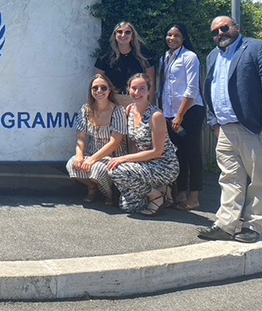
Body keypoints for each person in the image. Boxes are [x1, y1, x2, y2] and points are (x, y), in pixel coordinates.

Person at [198, 16, 262, 243]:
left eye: (224, 28)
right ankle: (225, 225)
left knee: (260, 178)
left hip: (254, 127)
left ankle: (253, 225)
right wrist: (213, 121)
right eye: (215, 31)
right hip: (225, 128)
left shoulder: (258, 48)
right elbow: (209, 90)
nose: (220, 34)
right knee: (229, 178)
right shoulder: (213, 56)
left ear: (237, 28)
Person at [107, 73, 179, 215]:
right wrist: (130, 165)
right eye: (133, 88)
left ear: (149, 91)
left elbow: (157, 151)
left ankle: (156, 196)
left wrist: (124, 160)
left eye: (142, 89)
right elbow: (133, 144)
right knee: (128, 207)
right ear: (128, 90)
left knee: (115, 170)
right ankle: (162, 189)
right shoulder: (129, 110)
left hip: (163, 165)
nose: (137, 92)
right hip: (144, 165)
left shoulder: (156, 116)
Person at [157, 23, 206, 211]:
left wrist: (179, 116)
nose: (172, 38)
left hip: (190, 113)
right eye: (169, 35)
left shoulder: (189, 57)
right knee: (178, 154)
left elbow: (191, 90)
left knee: (192, 153)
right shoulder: (165, 58)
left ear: (183, 38)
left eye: (176, 35)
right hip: (170, 114)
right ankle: (181, 193)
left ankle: (194, 197)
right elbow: (164, 89)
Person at [65, 74, 126, 206]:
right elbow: (81, 137)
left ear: (109, 90)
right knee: (72, 165)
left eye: (103, 88)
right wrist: (80, 156)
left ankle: (110, 194)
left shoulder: (118, 110)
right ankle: (93, 187)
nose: (99, 91)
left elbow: (115, 142)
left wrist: (93, 160)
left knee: (97, 169)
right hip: (91, 152)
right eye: (95, 88)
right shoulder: (85, 109)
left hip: (111, 155)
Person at [95, 21, 157, 107]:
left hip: (137, 99)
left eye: (127, 32)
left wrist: (150, 104)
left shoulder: (144, 56)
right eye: (119, 32)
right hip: (113, 101)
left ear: (132, 36)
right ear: (115, 35)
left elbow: (151, 82)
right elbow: (99, 82)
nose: (123, 35)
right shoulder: (105, 57)